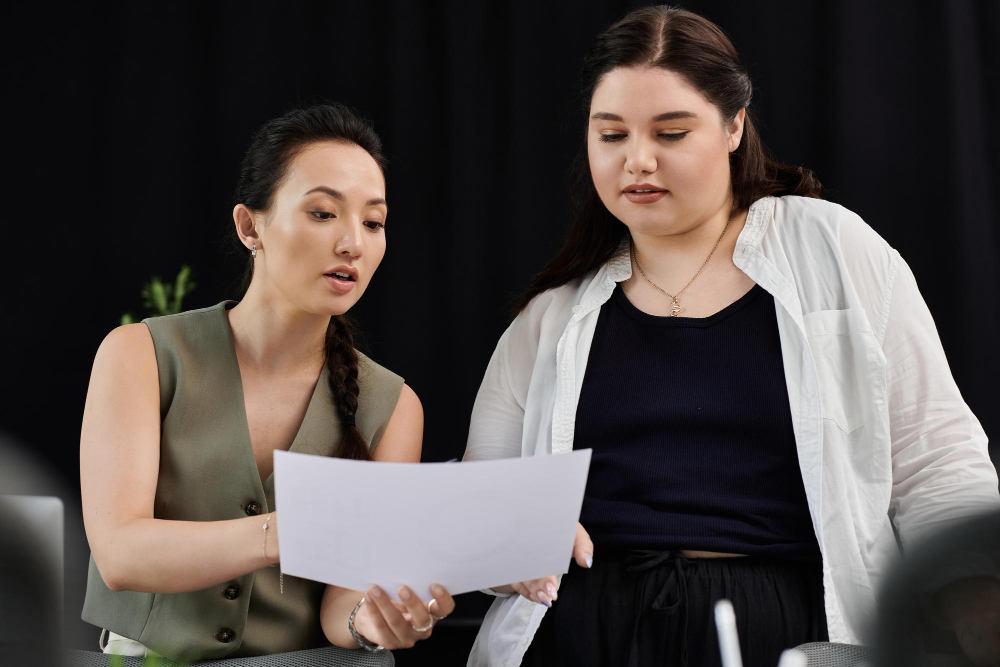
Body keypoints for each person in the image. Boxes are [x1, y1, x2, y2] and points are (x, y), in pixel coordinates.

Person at [463, 6, 1000, 667]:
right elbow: (476, 507)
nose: (638, 160)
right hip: (583, 634)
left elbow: (938, 464)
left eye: (671, 132)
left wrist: (973, 605)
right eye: (612, 134)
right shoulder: (552, 315)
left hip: (790, 634)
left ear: (734, 126)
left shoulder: (832, 251)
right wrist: (514, 536)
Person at [79, 103, 454, 662]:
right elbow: (120, 553)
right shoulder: (140, 355)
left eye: (373, 222)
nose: (353, 242)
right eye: (323, 213)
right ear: (249, 226)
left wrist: (370, 618)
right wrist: (287, 533)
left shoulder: (394, 406)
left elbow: (342, 605)